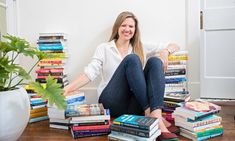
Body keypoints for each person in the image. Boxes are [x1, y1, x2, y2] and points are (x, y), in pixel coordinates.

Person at [64, 11, 180, 140]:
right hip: (112, 101)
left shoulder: (140, 46)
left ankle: (156, 115)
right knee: (132, 59)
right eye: (124, 25)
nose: (127, 29)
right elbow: (89, 73)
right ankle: (152, 114)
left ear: (135, 30)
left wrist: (166, 51)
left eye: (131, 26)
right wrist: (67, 89)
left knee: (155, 61)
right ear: (117, 27)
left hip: (135, 104)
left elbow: (175, 45)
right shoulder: (104, 48)